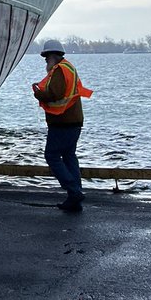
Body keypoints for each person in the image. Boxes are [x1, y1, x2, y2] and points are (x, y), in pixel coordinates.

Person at [31, 39, 93, 213]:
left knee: (51, 155)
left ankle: (73, 191)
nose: (45, 60)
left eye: (46, 56)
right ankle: (75, 197)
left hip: (62, 122)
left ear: (53, 55)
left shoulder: (58, 70)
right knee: (69, 156)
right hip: (74, 121)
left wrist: (39, 94)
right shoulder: (70, 68)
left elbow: (55, 94)